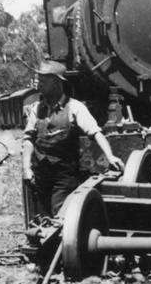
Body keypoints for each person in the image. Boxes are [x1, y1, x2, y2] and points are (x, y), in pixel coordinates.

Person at [22, 61, 125, 218]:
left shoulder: (75, 107)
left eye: (43, 81)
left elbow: (95, 132)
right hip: (40, 174)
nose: (38, 85)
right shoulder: (36, 109)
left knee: (60, 217)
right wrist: (26, 168)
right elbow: (29, 139)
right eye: (38, 80)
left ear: (57, 82)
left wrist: (109, 156)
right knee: (40, 217)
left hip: (64, 176)